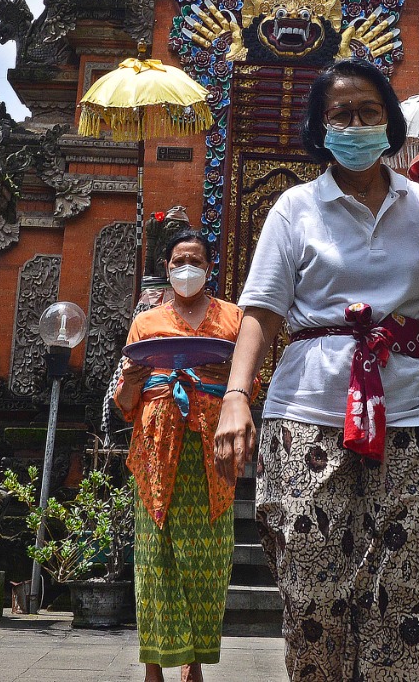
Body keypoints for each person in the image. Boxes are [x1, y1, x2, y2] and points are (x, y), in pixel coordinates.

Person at [213, 57, 419, 681]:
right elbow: (261, 314)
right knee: (311, 593)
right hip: (306, 411)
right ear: (319, 128)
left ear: (389, 122)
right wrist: (235, 398)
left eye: (368, 112)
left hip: (417, 412)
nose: (354, 124)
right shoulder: (293, 209)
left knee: (400, 598)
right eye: (340, 115)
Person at [114, 229, 245, 682]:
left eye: (194, 260)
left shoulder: (234, 318)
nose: (185, 268)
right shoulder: (146, 322)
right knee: (155, 557)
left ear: (209, 268)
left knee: (208, 558)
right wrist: (132, 379)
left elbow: (251, 387)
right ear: (166, 268)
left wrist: (231, 374)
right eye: (176, 261)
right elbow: (126, 401)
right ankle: (153, 665)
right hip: (155, 450)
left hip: (214, 450)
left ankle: (194, 663)